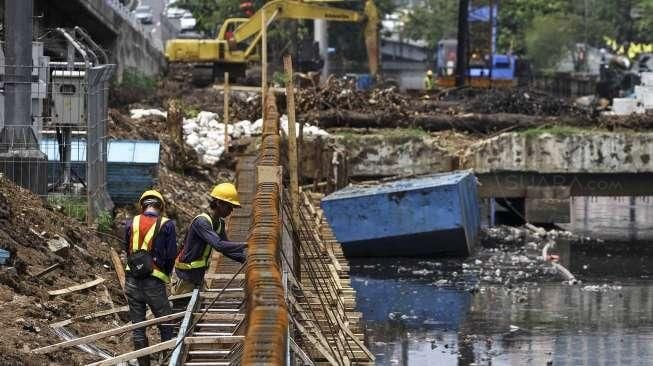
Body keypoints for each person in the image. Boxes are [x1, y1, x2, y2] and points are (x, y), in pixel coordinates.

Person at [124, 190, 177, 366]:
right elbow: (170, 255)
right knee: (166, 323)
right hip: (154, 281)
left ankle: (143, 364)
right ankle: (166, 361)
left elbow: (128, 250)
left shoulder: (131, 222)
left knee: (138, 327)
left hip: (132, 279)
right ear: (160, 207)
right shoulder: (167, 225)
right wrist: (166, 274)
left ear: (143, 205)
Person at [172, 183, 247, 295]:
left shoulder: (219, 223)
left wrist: (245, 259)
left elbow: (225, 248)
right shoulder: (202, 222)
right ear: (218, 203)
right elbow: (218, 244)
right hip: (185, 276)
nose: (231, 211)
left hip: (197, 275)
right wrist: (246, 244)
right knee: (183, 307)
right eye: (229, 206)